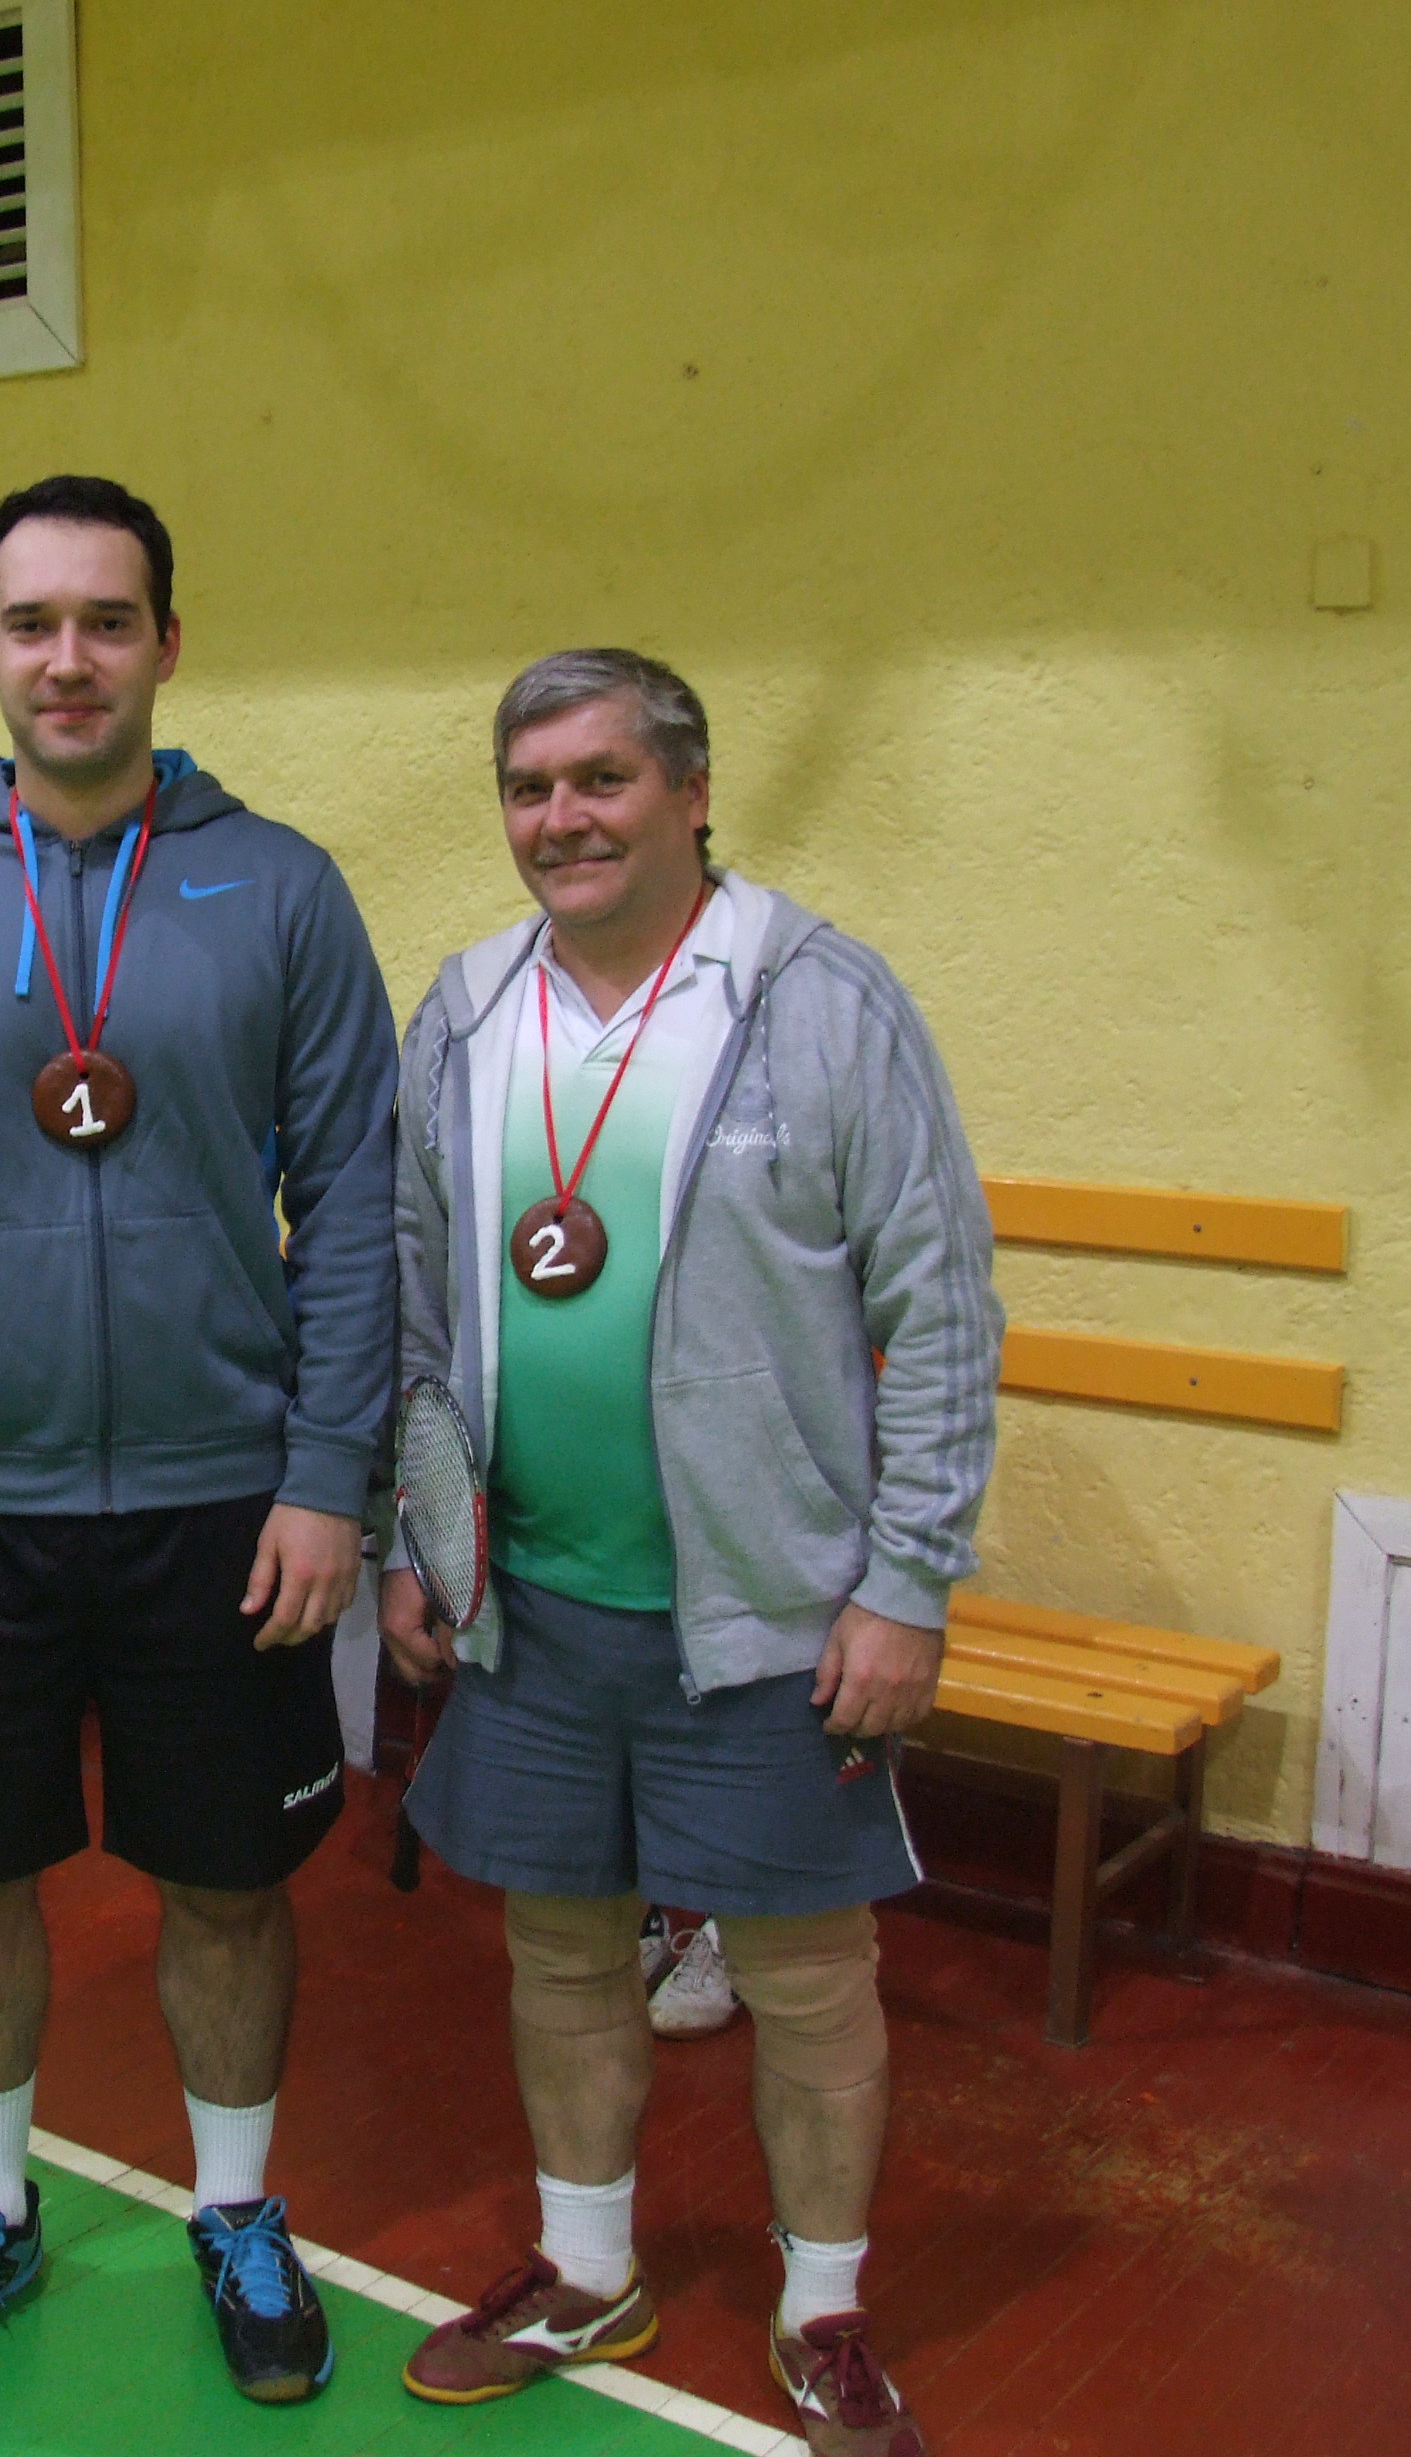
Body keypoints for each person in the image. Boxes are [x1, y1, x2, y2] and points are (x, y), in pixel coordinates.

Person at [0, 476, 399, 2406]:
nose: (69, 659)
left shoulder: (279, 888)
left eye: (106, 620)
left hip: (226, 1497)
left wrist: (326, 1475)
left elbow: (354, 1200)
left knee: (229, 1879)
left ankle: (235, 2208)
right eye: (32, 623)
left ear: (165, 646)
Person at [383, 648, 999, 2456]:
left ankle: (825, 2312)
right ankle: (590, 2274)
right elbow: (418, 1294)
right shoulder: (467, 1008)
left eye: (601, 779)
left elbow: (941, 1309)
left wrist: (905, 1580)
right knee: (563, 1949)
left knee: (804, 1976)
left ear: (692, 792)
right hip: (531, 1601)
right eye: (528, 787)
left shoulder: (817, 999)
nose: (560, 818)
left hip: (767, 1607)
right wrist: (418, 1537)